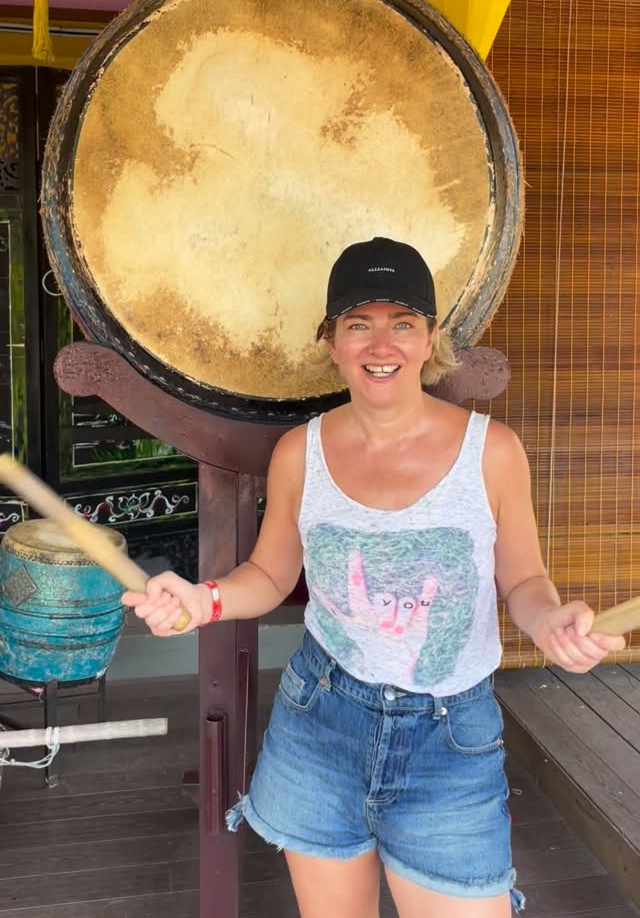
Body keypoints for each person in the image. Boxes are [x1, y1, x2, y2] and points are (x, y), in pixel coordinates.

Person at [123, 236, 626, 918]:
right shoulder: (301, 453)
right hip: (321, 721)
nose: (379, 343)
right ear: (330, 341)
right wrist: (201, 600)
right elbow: (270, 575)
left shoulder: (494, 452)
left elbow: (525, 582)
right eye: (358, 324)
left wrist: (550, 620)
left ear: (430, 340)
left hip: (449, 737)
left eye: (402, 323)